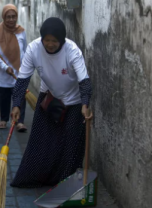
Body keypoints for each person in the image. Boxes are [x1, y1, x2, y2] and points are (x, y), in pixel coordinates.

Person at [10, 17, 93, 188]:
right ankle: (38, 177)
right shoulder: (33, 49)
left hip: (74, 102)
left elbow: (84, 81)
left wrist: (85, 104)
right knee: (42, 142)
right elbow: (22, 80)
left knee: (70, 145)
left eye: (54, 41)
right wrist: (16, 104)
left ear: (61, 39)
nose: (49, 44)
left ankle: (65, 183)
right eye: (46, 40)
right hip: (49, 98)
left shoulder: (72, 51)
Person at [0, 4, 28, 132]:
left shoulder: (21, 31)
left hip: (18, 70)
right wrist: (5, 67)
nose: (11, 19)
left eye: (13, 16)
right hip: (3, 71)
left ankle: (19, 121)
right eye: (8, 17)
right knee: (4, 95)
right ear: (3, 17)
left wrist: (25, 67)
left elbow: (25, 50)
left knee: (20, 95)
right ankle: (4, 119)